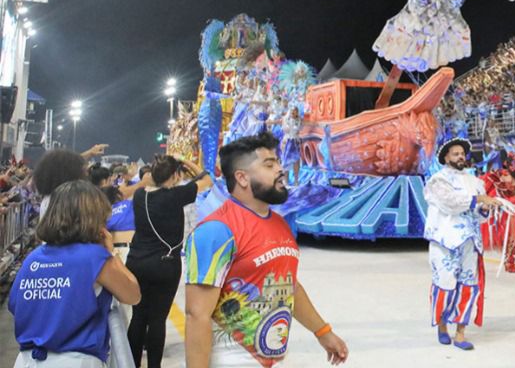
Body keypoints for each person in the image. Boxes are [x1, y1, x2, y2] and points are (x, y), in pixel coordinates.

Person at [183, 132, 348, 367]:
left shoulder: (279, 224)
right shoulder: (216, 231)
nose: (280, 169)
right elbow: (196, 315)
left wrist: (322, 331)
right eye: (269, 164)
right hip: (231, 360)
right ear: (242, 178)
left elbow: (289, 286)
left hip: (273, 358)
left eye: (278, 162)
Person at [8, 180, 141, 368]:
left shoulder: (33, 258)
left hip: (27, 361)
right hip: (75, 360)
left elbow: (15, 305)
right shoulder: (94, 257)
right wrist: (111, 253)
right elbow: (133, 294)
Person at [126, 155, 211, 368]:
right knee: (157, 319)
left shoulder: (139, 196)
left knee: (138, 317)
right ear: (175, 175)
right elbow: (207, 179)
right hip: (165, 265)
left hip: (136, 262)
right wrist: (185, 161)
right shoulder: (176, 195)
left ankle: (131, 364)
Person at [424, 138, 500, 350]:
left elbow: (479, 215)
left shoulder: (475, 181)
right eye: (455, 153)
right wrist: (479, 200)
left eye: (462, 153)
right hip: (444, 241)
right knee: (445, 284)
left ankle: (460, 333)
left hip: (470, 242)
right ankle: (442, 326)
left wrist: (485, 209)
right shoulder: (437, 181)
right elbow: (450, 204)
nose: (459, 156)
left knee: (468, 286)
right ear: (446, 157)